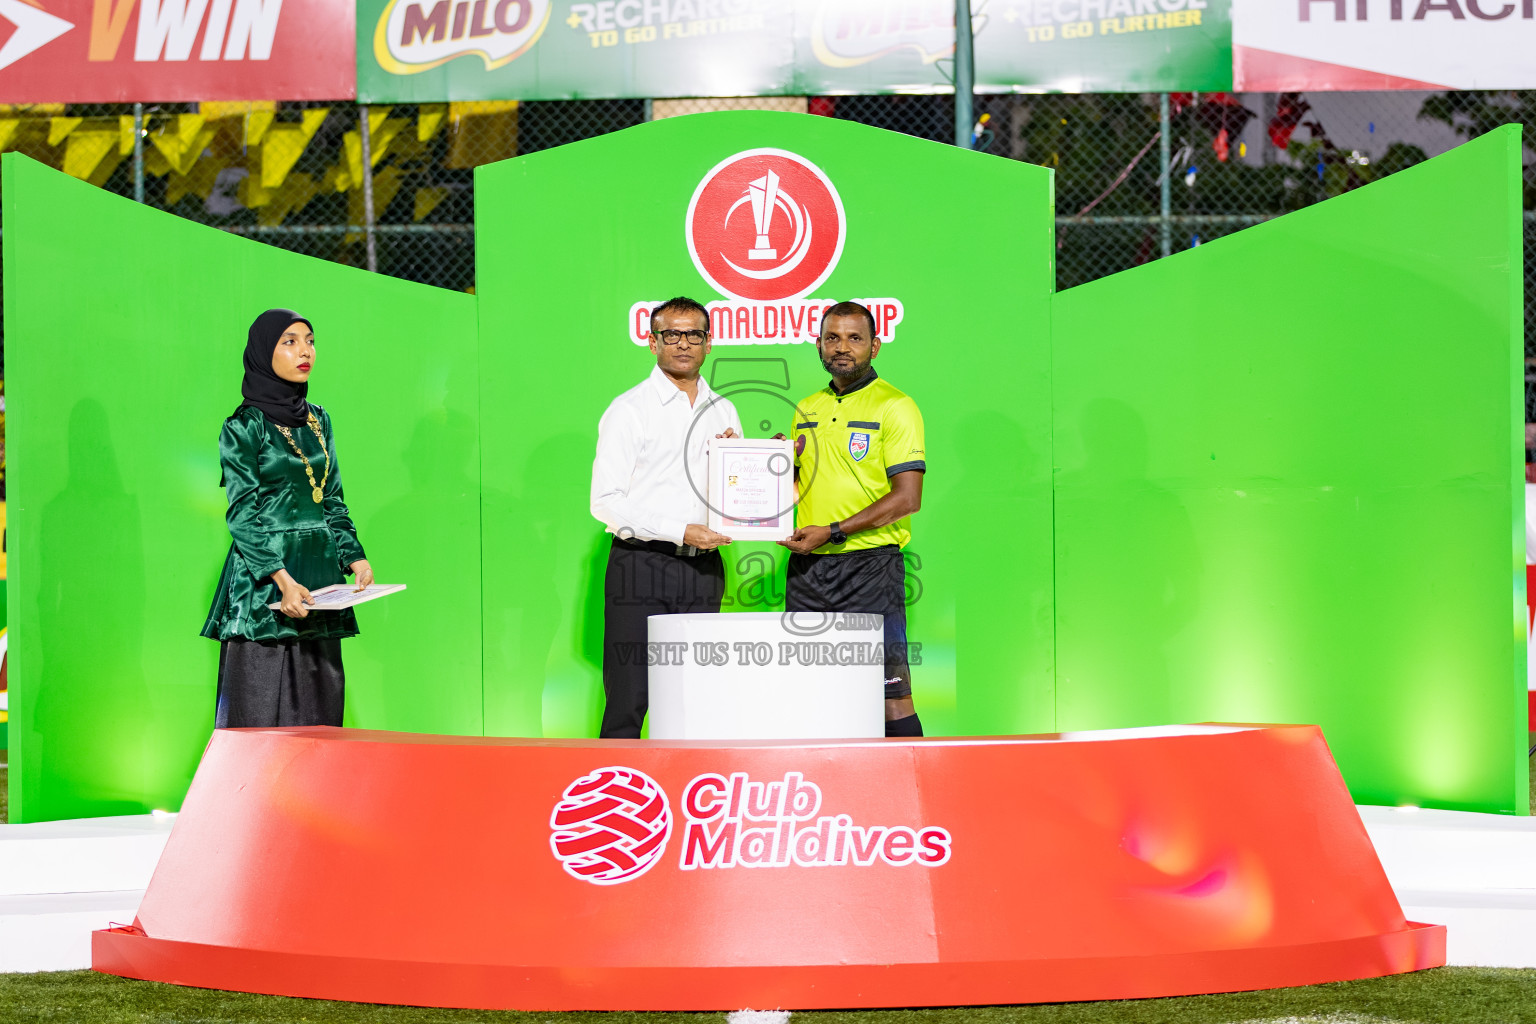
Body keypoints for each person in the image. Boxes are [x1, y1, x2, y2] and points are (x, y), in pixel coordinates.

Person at [201, 309, 375, 728]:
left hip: (319, 574)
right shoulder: (244, 426)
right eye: (290, 341)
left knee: (320, 707)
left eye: (310, 340)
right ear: (264, 352)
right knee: (258, 710)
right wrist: (281, 579)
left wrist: (356, 557)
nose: (305, 351)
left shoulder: (319, 419)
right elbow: (243, 514)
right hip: (266, 584)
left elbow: (331, 497)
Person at [591, 296, 742, 738]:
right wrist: (679, 529)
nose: (682, 344)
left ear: (708, 343)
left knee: (695, 698)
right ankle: (616, 801)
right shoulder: (629, 409)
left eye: (693, 334)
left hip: (703, 568)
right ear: (652, 342)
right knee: (628, 697)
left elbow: (734, 491)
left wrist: (765, 463)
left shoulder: (724, 410)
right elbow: (605, 501)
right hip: (641, 566)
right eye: (671, 334)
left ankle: (690, 801)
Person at [780, 301, 926, 737]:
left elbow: (907, 498)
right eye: (832, 337)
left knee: (890, 696)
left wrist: (836, 531)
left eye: (855, 338)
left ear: (875, 346)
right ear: (819, 344)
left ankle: (914, 800)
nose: (842, 347)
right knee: (810, 694)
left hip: (869, 567)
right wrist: (771, 464)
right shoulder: (806, 408)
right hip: (807, 569)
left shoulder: (896, 406)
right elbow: (797, 487)